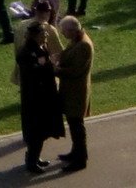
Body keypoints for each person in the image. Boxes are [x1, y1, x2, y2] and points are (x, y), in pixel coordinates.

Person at [14, 18, 62, 174]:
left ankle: (35, 157)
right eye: (43, 33)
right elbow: (31, 72)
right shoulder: (26, 52)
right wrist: (45, 65)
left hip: (44, 96)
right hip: (34, 99)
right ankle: (31, 161)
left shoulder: (41, 47)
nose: (46, 35)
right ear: (35, 35)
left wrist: (46, 63)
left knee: (42, 131)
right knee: (36, 132)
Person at [57, 16, 93, 173]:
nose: (63, 34)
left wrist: (55, 69)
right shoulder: (77, 40)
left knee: (77, 125)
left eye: (64, 31)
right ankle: (76, 153)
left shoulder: (83, 45)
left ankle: (80, 159)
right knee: (74, 124)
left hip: (76, 91)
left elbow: (75, 71)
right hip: (73, 90)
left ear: (71, 30)